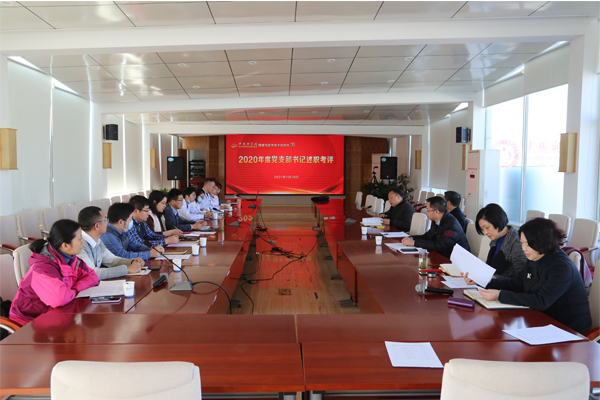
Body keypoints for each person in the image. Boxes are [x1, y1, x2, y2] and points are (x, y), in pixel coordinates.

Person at [463, 218, 591, 335]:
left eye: (527, 244)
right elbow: (515, 284)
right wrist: (482, 281)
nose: (523, 248)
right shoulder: (535, 257)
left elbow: (541, 301)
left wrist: (499, 295)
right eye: (522, 243)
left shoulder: (562, 267)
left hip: (567, 329)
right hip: (540, 320)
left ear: (542, 242)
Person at [9, 219, 99, 326]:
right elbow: (60, 299)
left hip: (55, 314)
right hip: (28, 322)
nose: (82, 242)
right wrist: (74, 291)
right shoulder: (42, 267)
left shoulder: (71, 259)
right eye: (79, 239)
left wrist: (72, 290)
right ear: (65, 245)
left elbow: (92, 277)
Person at [78, 206, 143, 280]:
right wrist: (127, 269)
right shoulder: (79, 245)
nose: (107, 223)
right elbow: (92, 273)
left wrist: (132, 261)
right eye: (105, 220)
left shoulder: (98, 241)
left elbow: (112, 261)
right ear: (97, 226)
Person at [401, 196, 470, 258]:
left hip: (457, 259)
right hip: (443, 255)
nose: (426, 213)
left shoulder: (451, 225)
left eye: (428, 210)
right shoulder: (437, 220)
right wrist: (411, 238)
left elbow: (440, 246)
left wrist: (414, 243)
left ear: (437, 212)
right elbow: (428, 236)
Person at [475, 203, 527, 278]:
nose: (485, 232)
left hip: (503, 285)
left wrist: (495, 278)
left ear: (497, 221)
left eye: (487, 227)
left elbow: (521, 278)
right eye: (482, 229)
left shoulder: (517, 242)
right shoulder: (495, 240)